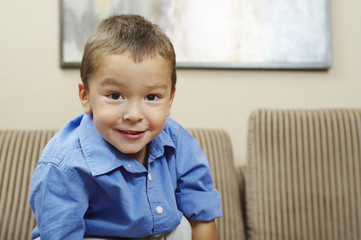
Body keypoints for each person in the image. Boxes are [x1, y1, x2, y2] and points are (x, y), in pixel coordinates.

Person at [29, 14, 222, 240]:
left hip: (157, 233)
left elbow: (203, 218)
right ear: (86, 96)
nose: (133, 115)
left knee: (182, 228)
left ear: (170, 100)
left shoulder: (179, 142)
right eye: (115, 95)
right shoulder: (64, 166)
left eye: (151, 97)